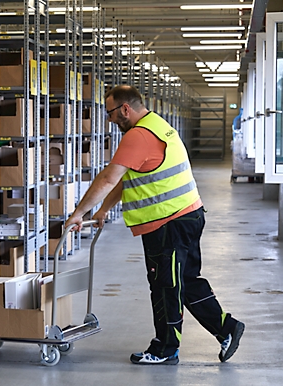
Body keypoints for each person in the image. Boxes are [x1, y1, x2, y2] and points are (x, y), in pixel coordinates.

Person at [65, 85, 245, 365]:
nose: (110, 120)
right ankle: (227, 328)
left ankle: (165, 348)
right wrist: (102, 210)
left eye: (111, 113)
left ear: (126, 109)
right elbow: (129, 177)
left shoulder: (138, 136)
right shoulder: (157, 124)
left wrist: (78, 212)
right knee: (185, 281)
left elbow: (108, 179)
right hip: (187, 216)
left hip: (168, 224)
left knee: (165, 286)